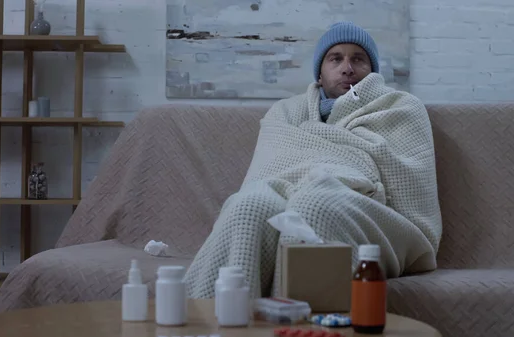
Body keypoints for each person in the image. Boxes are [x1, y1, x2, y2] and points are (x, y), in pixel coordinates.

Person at [184, 21, 442, 299]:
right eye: (335, 58)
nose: (347, 68)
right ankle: (210, 322)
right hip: (285, 195)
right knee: (249, 204)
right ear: (320, 73)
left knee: (316, 203)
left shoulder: (400, 106)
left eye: (358, 58)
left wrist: (332, 178)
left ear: (372, 71)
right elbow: (264, 175)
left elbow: (411, 196)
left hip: (372, 215)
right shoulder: (285, 111)